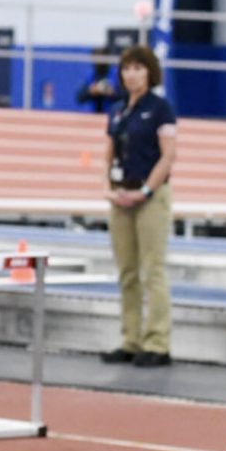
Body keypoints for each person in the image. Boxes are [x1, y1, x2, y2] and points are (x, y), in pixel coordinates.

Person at [100, 44, 176, 368]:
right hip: (121, 199)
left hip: (150, 199)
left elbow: (168, 155)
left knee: (152, 270)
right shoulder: (117, 111)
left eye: (138, 68)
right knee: (127, 272)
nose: (132, 74)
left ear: (150, 72)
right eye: (127, 68)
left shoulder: (161, 109)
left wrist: (145, 191)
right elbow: (108, 152)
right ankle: (130, 340)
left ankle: (157, 343)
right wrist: (108, 188)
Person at [76, 46, 121, 113]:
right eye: (96, 57)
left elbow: (125, 97)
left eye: (102, 57)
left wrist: (113, 93)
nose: (99, 62)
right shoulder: (90, 75)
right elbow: (79, 97)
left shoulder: (116, 74)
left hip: (111, 114)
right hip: (94, 116)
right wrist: (90, 92)